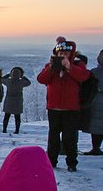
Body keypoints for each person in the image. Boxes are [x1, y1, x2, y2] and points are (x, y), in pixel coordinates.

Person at [36, 37, 90, 172]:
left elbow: (83, 77)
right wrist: (51, 68)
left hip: (71, 108)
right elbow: (41, 79)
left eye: (65, 54)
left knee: (69, 138)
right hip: (54, 108)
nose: (63, 56)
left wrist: (69, 67)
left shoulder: (78, 65)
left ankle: (71, 163)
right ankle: (51, 161)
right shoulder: (51, 66)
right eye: (60, 54)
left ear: (71, 54)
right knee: (53, 137)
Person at [0, 67, 31, 134]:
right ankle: (17, 130)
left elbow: (1, 79)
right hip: (18, 102)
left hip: (9, 101)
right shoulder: (21, 82)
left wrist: (8, 74)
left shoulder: (8, 81)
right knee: (17, 117)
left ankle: (4, 129)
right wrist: (23, 77)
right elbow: (29, 82)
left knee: (6, 116)